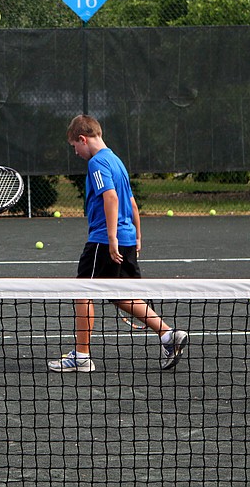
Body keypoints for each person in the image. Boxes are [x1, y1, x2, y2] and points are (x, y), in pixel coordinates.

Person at [48, 115, 189, 373]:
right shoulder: (117, 161)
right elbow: (132, 204)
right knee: (118, 294)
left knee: (82, 292)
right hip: (126, 237)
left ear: (83, 138)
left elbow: (111, 198)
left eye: (74, 146)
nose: (76, 152)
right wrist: (136, 237)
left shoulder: (98, 163)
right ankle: (168, 335)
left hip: (105, 239)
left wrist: (111, 239)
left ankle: (81, 356)